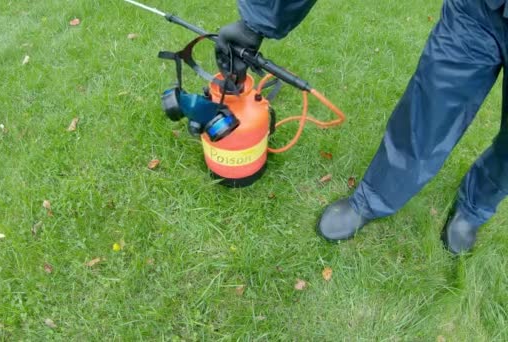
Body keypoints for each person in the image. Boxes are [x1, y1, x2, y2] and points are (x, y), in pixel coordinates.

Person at [216, 0, 508, 254]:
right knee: (430, 108)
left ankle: (476, 207)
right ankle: (374, 198)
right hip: (477, 12)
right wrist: (256, 21)